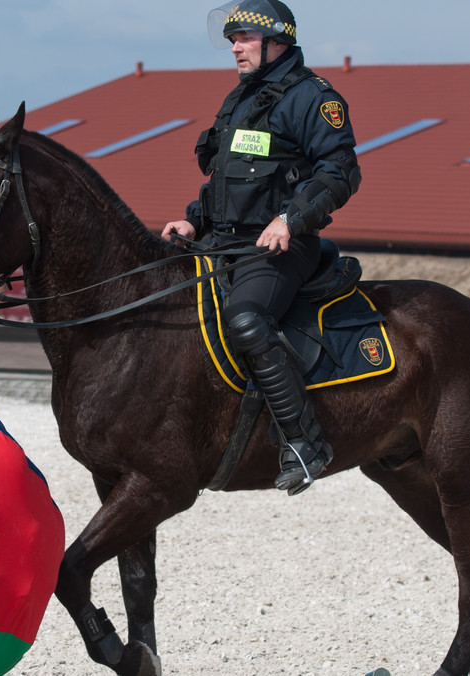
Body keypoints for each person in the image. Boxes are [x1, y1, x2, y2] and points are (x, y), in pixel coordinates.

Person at [162, 0, 362, 495]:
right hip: (222, 242)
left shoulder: (314, 99)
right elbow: (228, 181)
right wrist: (192, 222)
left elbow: (341, 173)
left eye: (244, 38)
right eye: (232, 40)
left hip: (279, 249)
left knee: (247, 319)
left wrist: (291, 219)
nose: (235, 48)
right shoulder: (243, 99)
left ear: (277, 42)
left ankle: (304, 443)